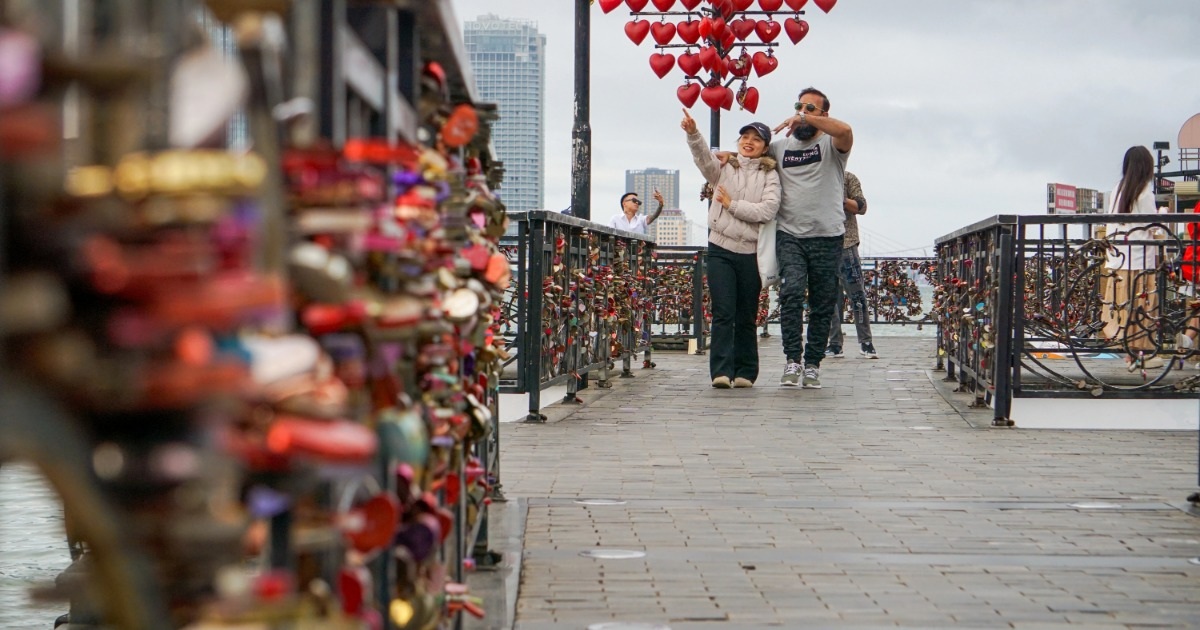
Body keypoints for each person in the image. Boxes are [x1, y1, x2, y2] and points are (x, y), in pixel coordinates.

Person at [682, 109, 780, 388]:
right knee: (724, 311)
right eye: (745, 137)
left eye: (756, 139)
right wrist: (693, 133)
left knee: (746, 314)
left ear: (765, 147)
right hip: (721, 249)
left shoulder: (770, 175)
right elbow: (703, 160)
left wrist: (731, 205)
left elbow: (768, 209)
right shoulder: (724, 168)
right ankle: (721, 372)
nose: (749, 142)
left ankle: (746, 372)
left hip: (751, 253)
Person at [768, 87, 853, 388]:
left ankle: (813, 364)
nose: (802, 113)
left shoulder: (833, 144)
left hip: (828, 237)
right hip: (790, 234)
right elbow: (747, 157)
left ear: (823, 114)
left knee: (823, 302)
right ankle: (792, 360)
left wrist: (804, 117)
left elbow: (846, 130)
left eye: (810, 109)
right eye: (798, 107)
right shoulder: (779, 148)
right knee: (791, 294)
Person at [1101, 145, 1165, 371]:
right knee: (1143, 309)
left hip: (1118, 260)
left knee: (1122, 309)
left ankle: (1129, 354)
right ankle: (1141, 355)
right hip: (1139, 262)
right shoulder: (1145, 191)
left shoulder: (1118, 188)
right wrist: (1163, 218)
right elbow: (1154, 229)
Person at [825, 171, 879, 360]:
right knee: (827, 297)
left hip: (846, 243)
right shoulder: (810, 175)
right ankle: (834, 344)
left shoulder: (847, 178)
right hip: (819, 244)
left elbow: (861, 207)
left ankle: (866, 342)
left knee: (857, 295)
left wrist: (838, 197)